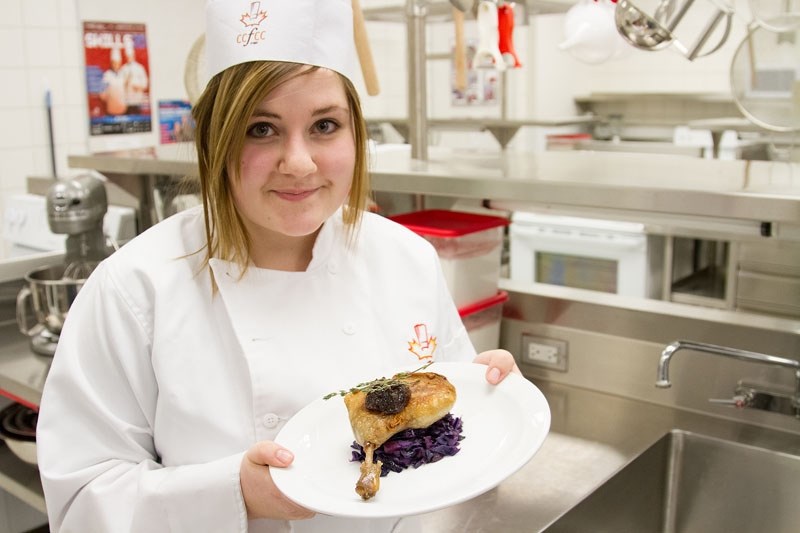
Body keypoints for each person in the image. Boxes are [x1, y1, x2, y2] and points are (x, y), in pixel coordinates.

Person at [36, 1, 520, 532]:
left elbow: (451, 434)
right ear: (216, 141)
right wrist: (233, 493)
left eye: (325, 125)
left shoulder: (406, 258)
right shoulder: (136, 288)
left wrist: (489, 396)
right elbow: (81, 502)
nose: (299, 163)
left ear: (355, 135)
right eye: (261, 129)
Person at [119, 41, 149, 114]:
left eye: (130, 56)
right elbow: (119, 85)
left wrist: (138, 86)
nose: (129, 57)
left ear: (133, 55)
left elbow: (145, 84)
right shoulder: (123, 69)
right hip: (126, 102)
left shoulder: (140, 68)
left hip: (138, 101)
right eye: (127, 56)